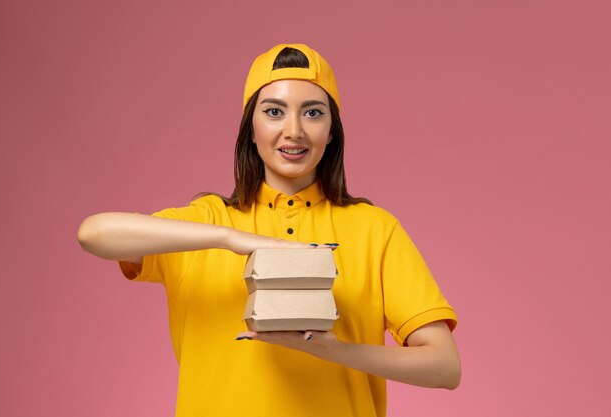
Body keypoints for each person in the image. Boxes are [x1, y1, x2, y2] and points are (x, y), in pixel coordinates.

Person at [77, 43, 461, 417]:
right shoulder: (207, 222)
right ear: (251, 128)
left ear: (331, 132)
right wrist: (229, 238)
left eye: (313, 113)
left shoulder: (375, 230)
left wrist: (330, 350)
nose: (293, 130)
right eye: (274, 111)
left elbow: (444, 367)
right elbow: (94, 233)